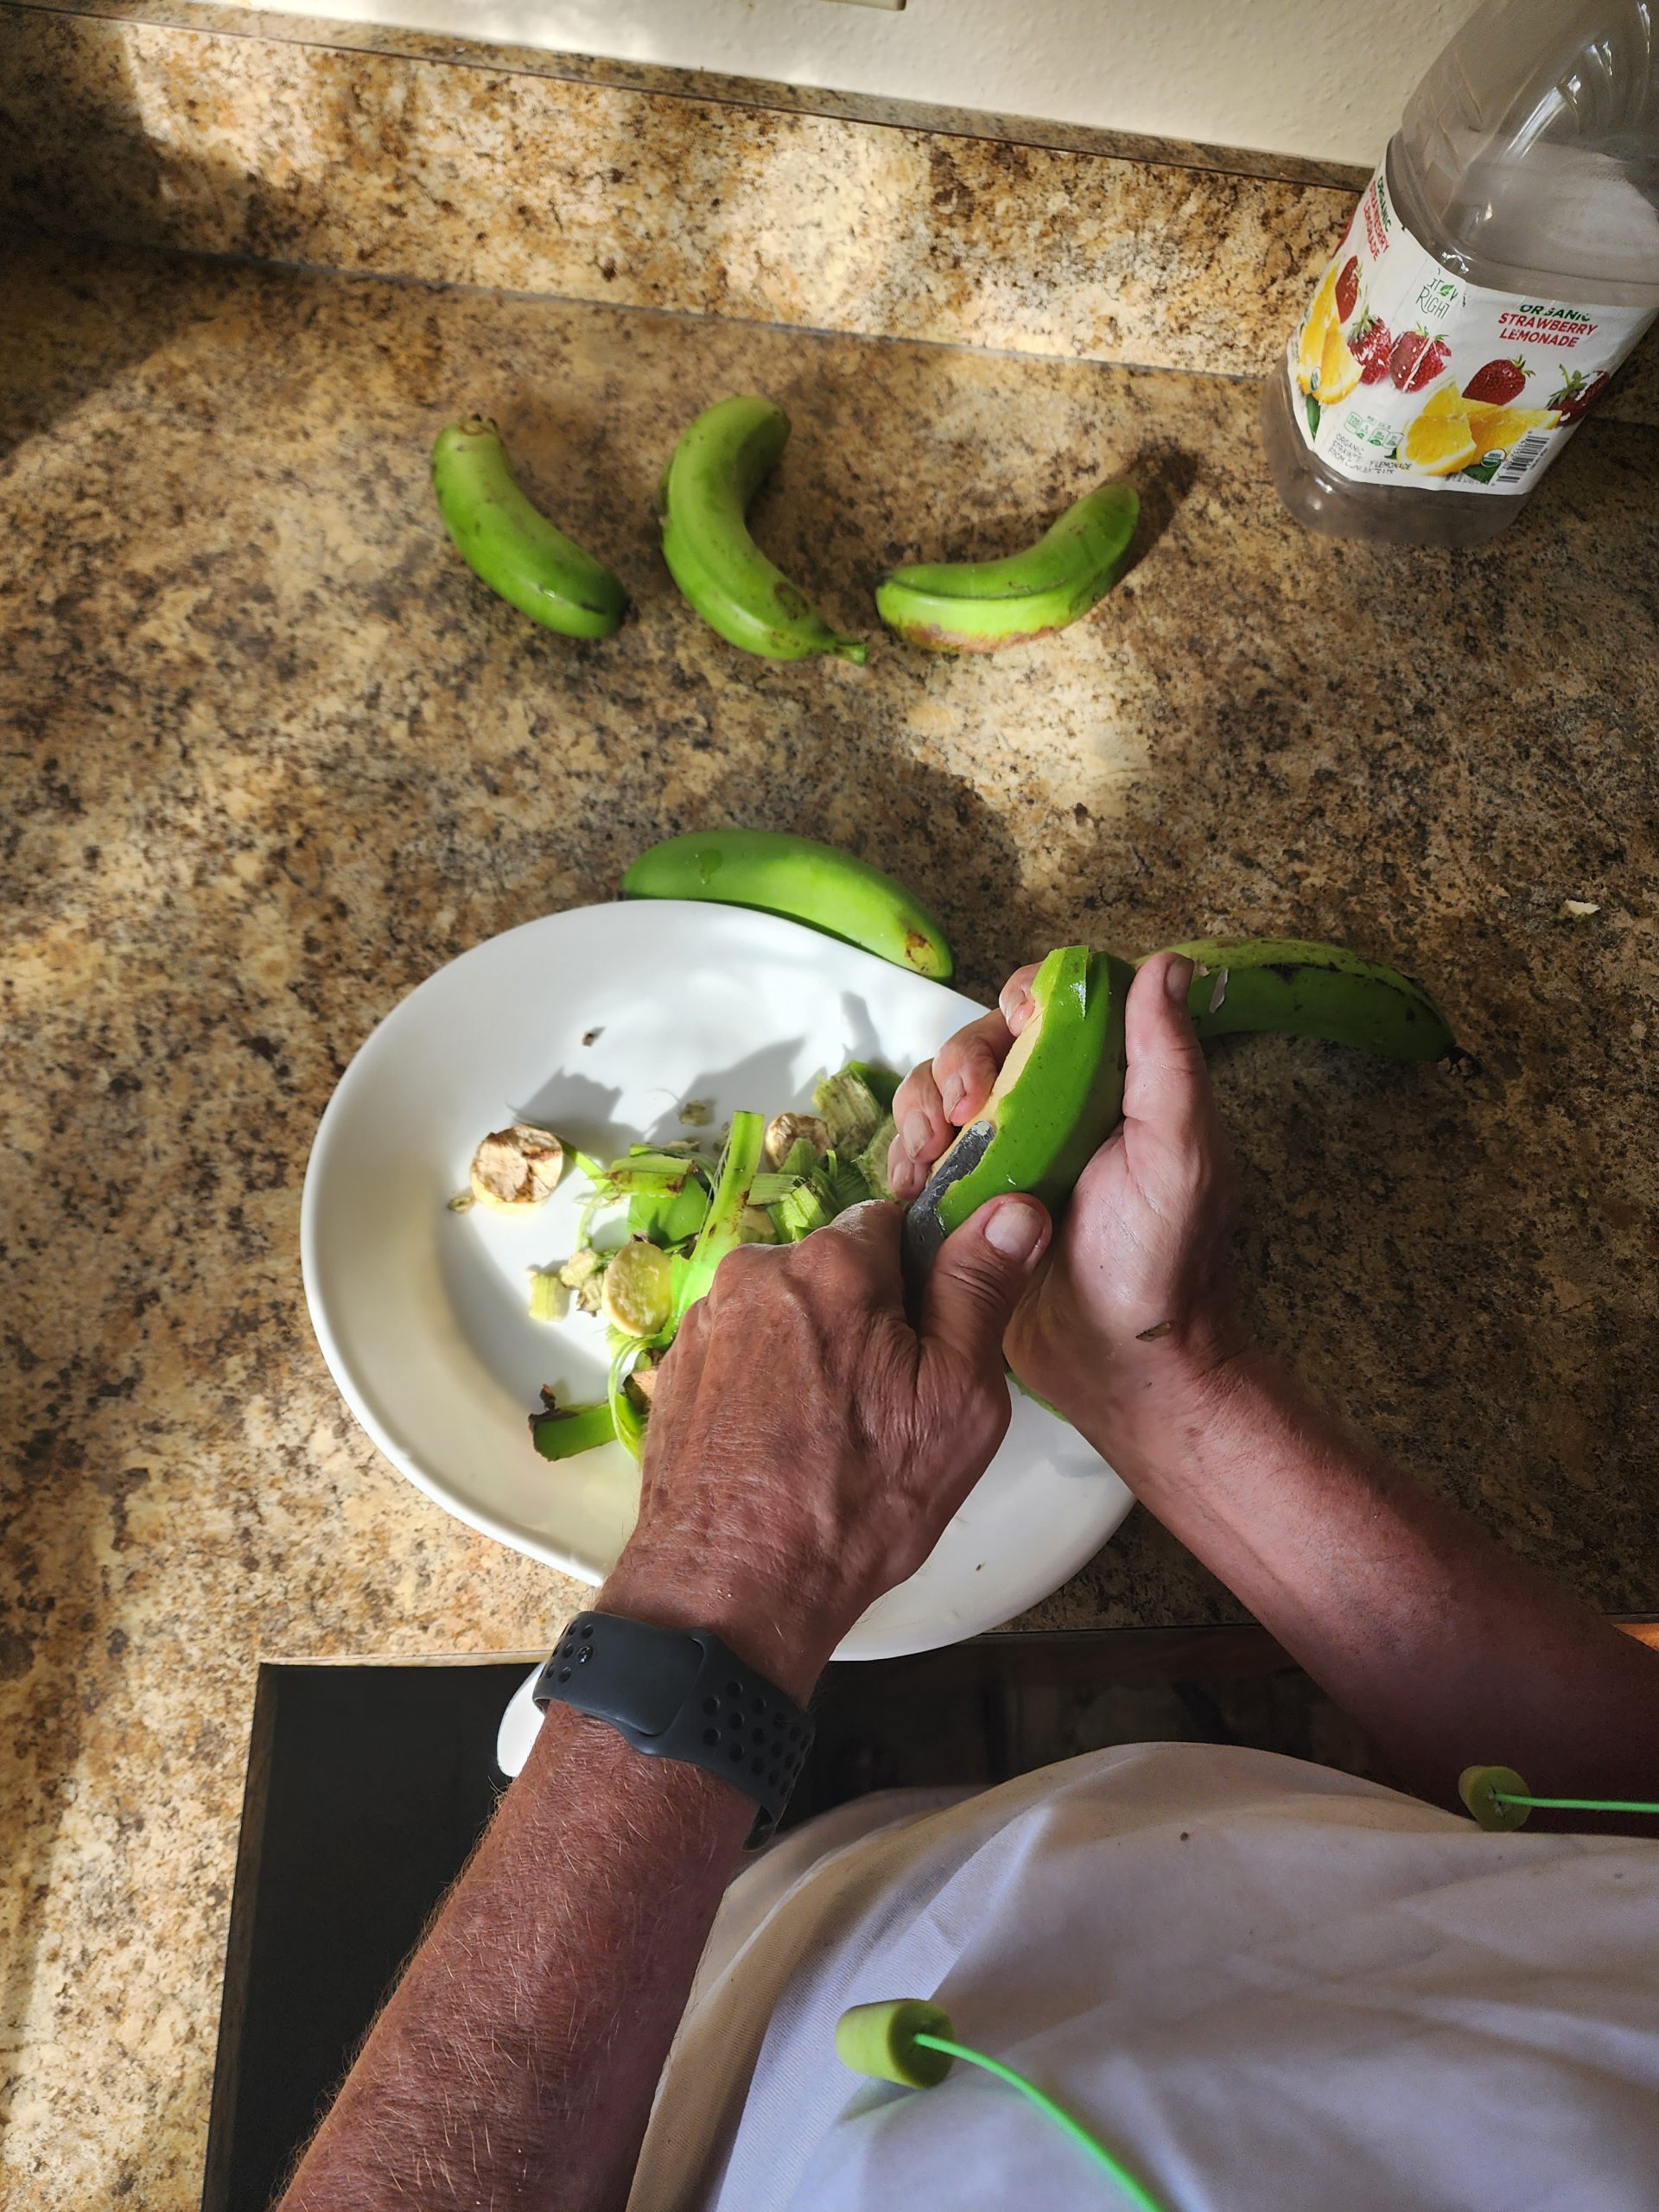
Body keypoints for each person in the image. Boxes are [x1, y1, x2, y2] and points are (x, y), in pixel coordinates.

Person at [281, 953, 1659, 2212]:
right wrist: (1162, 1387)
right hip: (857, 1889)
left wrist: (724, 1578)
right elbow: (1627, 1815)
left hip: (646, 2059)